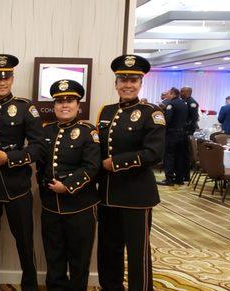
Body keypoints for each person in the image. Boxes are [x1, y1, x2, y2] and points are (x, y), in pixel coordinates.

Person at [96, 54, 165, 291]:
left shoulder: (151, 113)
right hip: (107, 194)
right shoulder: (106, 111)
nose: (127, 85)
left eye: (133, 80)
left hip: (137, 195)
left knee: (137, 253)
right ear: (116, 83)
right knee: (108, 249)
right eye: (123, 79)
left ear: (140, 83)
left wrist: (116, 163)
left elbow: (154, 154)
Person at [0, 54, 43, 291]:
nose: (2, 82)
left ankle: (30, 286)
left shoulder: (26, 108)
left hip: (18, 187)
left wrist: (10, 158)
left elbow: (38, 147)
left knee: (25, 242)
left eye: (6, 78)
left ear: (12, 78)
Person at [37, 79, 101, 291]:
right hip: (51, 207)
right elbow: (42, 166)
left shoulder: (88, 131)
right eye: (60, 101)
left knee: (79, 260)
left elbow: (92, 167)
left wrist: (68, 186)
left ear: (78, 105)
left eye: (70, 101)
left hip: (80, 207)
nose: (65, 105)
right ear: (54, 106)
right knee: (53, 257)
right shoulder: (46, 131)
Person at [158, 87, 188, 186]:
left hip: (172, 134)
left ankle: (169, 179)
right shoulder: (184, 104)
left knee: (169, 155)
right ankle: (179, 178)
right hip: (182, 134)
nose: (167, 95)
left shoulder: (171, 104)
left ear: (172, 94)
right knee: (180, 156)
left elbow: (168, 120)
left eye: (168, 93)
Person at [180, 86, 200, 181]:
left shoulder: (192, 102)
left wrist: (189, 131)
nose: (181, 93)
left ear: (188, 92)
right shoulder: (184, 101)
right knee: (182, 154)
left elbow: (194, 118)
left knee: (185, 154)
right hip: (183, 131)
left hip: (187, 132)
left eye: (182, 91)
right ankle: (182, 174)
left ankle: (186, 175)